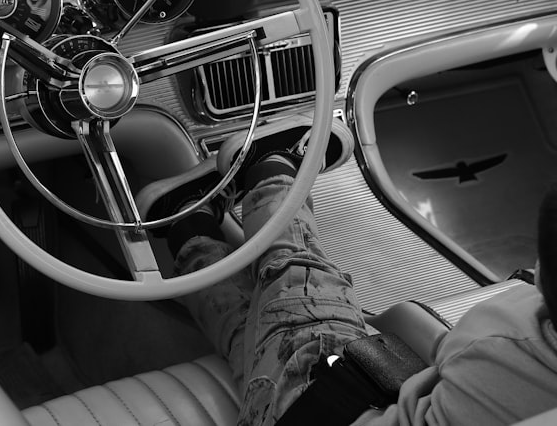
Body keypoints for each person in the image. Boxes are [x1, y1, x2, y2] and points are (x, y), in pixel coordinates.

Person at [142, 118, 557, 425]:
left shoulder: (515, 337)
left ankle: (269, 167)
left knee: (302, 284)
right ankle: (185, 224)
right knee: (250, 336)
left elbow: (463, 341)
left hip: (326, 413)